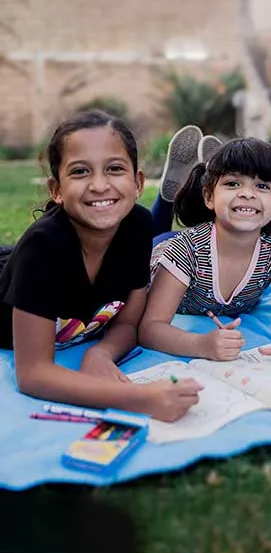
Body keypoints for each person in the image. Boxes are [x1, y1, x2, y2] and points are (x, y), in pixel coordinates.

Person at [0, 110, 202, 422]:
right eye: (80, 172)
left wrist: (101, 352)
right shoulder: (42, 248)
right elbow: (33, 373)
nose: (99, 185)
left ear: (137, 183)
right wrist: (140, 398)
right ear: (57, 190)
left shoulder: (137, 226)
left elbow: (127, 324)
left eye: (114, 169)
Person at [140, 129, 271, 372]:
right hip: (160, 251)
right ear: (209, 197)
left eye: (261, 186)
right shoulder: (184, 250)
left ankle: (212, 172)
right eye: (233, 183)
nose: (247, 193)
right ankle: (167, 197)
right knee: (148, 236)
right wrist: (201, 344)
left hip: (211, 234)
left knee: (212, 228)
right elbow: (150, 328)